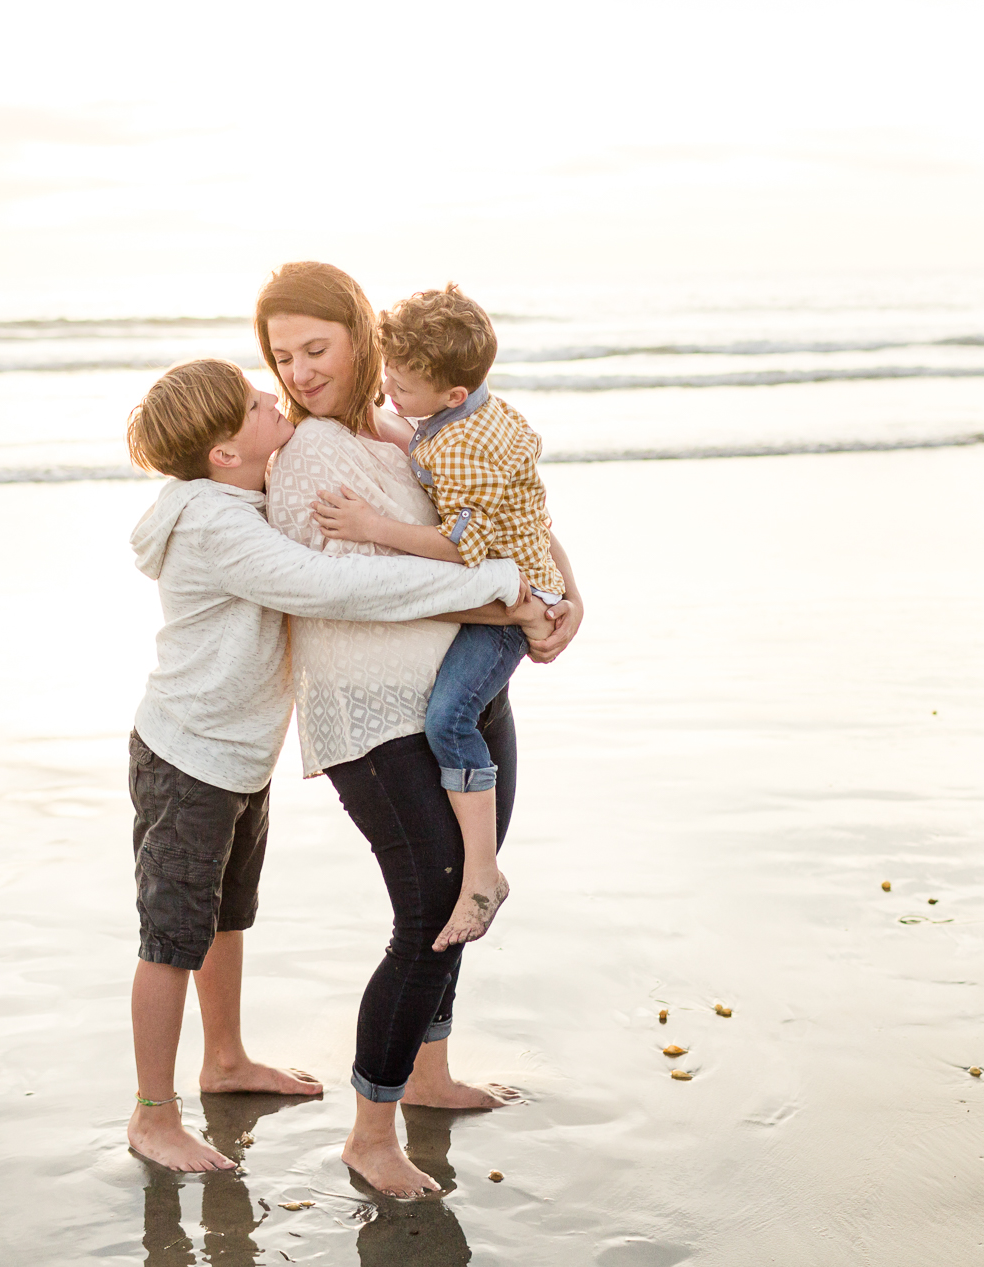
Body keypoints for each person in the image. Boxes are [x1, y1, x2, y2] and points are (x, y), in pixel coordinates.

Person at [122, 358, 528, 1173]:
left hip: (237, 752)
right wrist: (498, 588)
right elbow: (327, 586)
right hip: (188, 755)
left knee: (226, 913)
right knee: (171, 936)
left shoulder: (235, 492)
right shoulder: (214, 523)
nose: (273, 394)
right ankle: (153, 1115)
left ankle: (226, 1061)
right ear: (222, 456)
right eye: (251, 403)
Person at [256, 261, 584, 1197]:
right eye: (283, 356)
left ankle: (432, 1073)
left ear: (364, 336)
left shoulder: (411, 429)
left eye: (316, 347)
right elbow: (356, 591)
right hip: (373, 715)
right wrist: (511, 605)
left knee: (465, 907)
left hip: (463, 691)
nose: (302, 370)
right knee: (429, 912)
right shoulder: (314, 453)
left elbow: (514, 512)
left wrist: (565, 594)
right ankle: (370, 1131)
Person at [310, 283, 563, 953]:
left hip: (504, 605)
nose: (391, 388)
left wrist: (372, 525)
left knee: (448, 717)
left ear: (452, 396)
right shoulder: (465, 414)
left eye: (405, 384)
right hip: (515, 577)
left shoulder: (463, 451)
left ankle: (483, 873)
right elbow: (428, 439)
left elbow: (461, 546)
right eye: (387, 372)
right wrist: (386, 419)